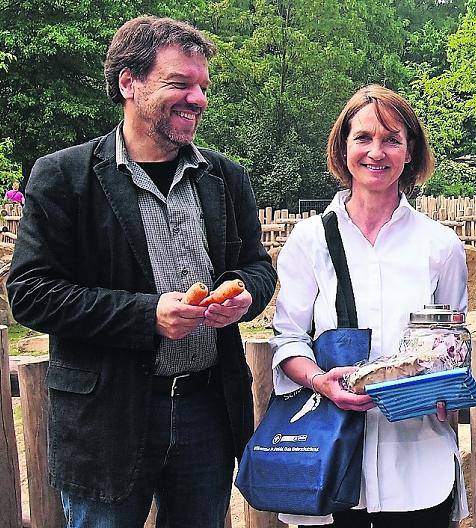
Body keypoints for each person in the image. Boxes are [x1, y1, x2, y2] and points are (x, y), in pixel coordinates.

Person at [7, 16, 276, 527]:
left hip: (207, 411)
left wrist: (246, 297)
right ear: (128, 82)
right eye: (179, 84)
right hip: (106, 418)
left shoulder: (225, 176)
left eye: (202, 87)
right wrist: (147, 314)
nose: (196, 99)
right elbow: (30, 292)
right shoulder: (64, 176)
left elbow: (256, 267)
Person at [270, 84, 470, 527]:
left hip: (419, 464)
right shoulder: (310, 241)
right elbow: (287, 339)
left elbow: (453, 346)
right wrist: (321, 381)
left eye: (391, 139)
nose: (376, 152)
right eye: (363, 138)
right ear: (343, 148)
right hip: (330, 460)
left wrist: (445, 391)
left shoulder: (441, 246)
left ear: (410, 151)